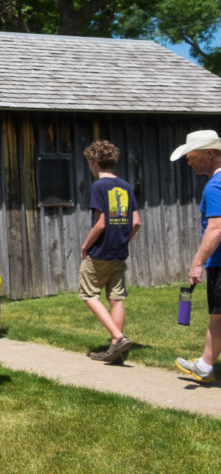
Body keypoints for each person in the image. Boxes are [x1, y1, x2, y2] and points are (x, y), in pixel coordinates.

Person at [79, 140, 140, 363]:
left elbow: (101, 222)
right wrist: (124, 240)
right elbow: (136, 223)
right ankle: (116, 350)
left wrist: (85, 246)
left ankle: (118, 337)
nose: (89, 166)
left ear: (94, 161)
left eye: (89, 162)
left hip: (99, 252)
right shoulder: (126, 186)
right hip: (118, 252)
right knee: (116, 298)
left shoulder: (98, 187)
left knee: (88, 294)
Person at [171, 130, 221, 383]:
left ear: (210, 154)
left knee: (218, 315)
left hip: (220, 263)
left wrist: (197, 262)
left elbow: (216, 228)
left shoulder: (215, 185)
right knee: (218, 316)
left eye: (192, 157)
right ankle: (205, 364)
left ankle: (205, 365)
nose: (188, 163)